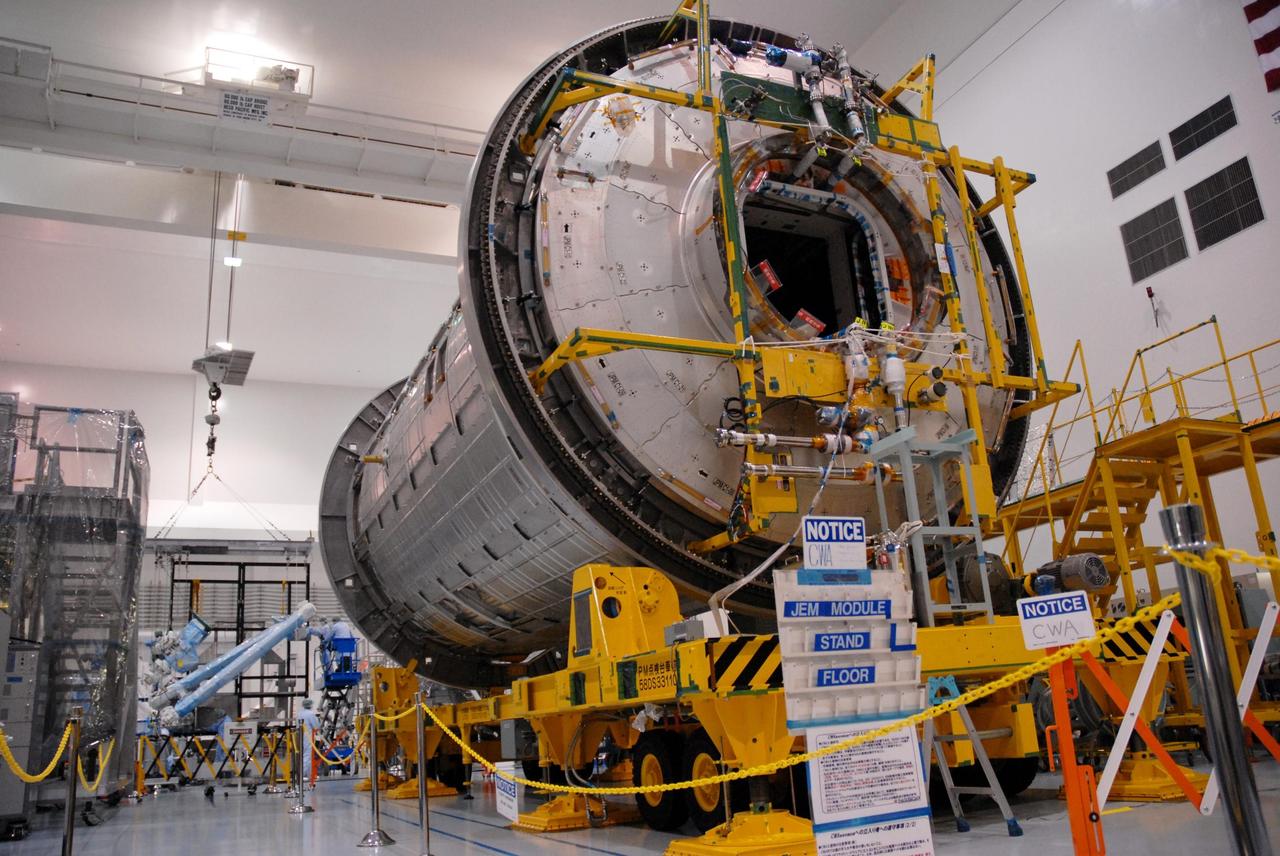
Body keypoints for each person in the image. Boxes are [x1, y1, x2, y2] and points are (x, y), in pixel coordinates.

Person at [298, 698, 321, 785]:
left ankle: (310, 774)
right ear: (310, 705)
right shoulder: (310, 714)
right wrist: (318, 719)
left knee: (304, 755)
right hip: (307, 736)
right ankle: (303, 774)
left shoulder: (300, 713)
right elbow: (316, 726)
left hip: (300, 735)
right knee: (308, 755)